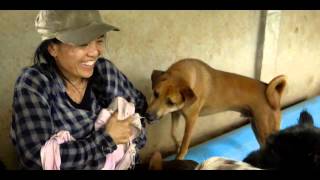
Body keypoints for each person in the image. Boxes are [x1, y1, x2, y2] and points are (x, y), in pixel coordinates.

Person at [10, 10, 154, 170]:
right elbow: (35, 159)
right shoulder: (35, 83)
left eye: (99, 40)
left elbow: (142, 109)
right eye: (82, 43)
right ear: (52, 48)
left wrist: (131, 130)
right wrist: (107, 139)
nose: (94, 52)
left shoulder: (105, 72)